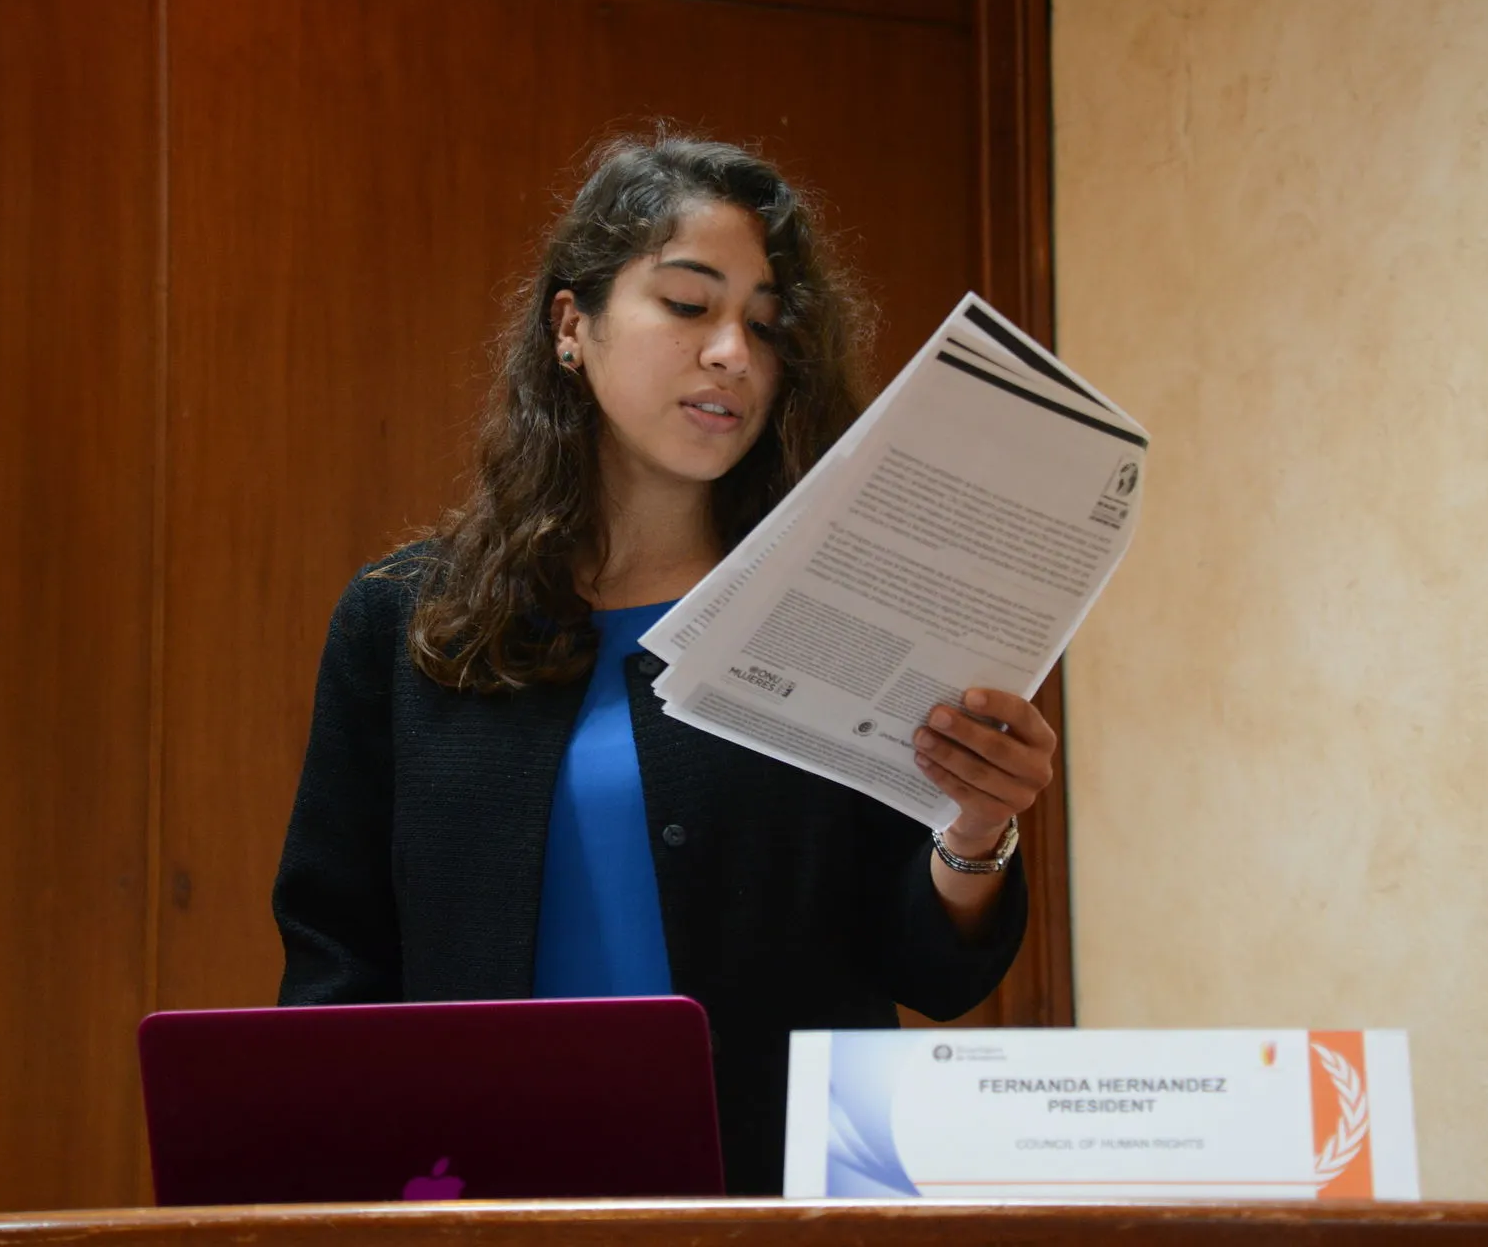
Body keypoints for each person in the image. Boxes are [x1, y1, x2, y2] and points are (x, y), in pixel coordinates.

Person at [272, 134, 1058, 1195]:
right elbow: (337, 964)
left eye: (768, 326)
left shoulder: (835, 608)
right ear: (571, 324)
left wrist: (974, 836)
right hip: (478, 1204)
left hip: (784, 1203)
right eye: (689, 305)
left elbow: (931, 967)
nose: (734, 352)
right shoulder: (405, 621)